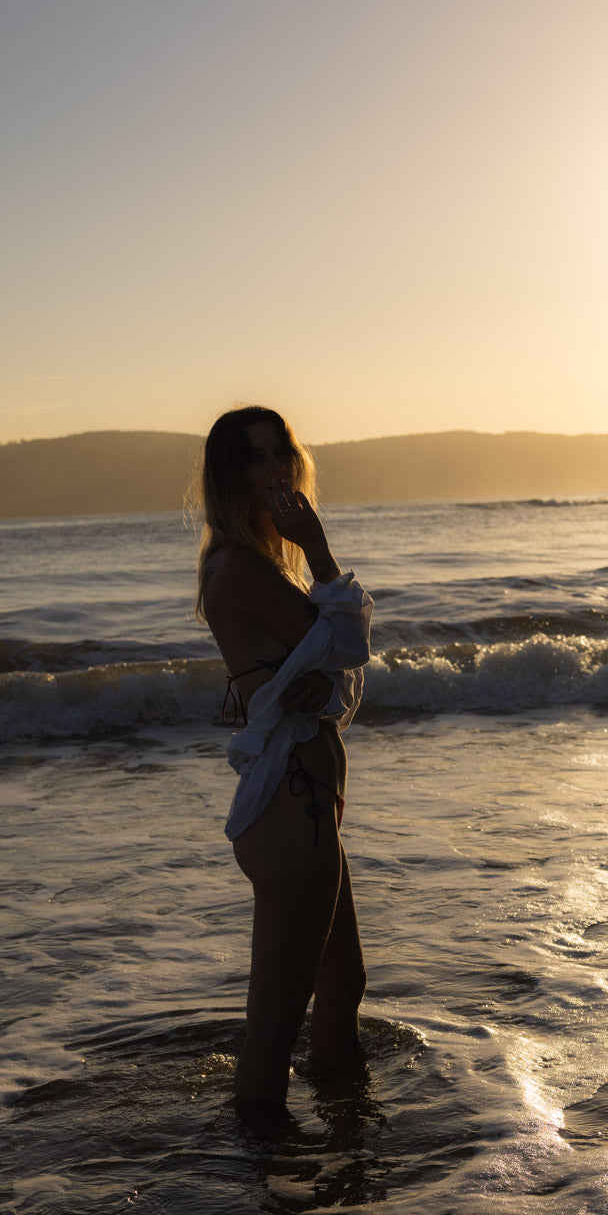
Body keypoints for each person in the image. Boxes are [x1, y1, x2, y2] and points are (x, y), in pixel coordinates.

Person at [195, 406, 373, 1104]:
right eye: (255, 459)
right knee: (273, 1029)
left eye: (282, 455)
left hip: (309, 807)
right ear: (229, 478)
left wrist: (324, 681)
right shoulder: (240, 567)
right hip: (290, 812)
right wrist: (320, 551)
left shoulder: (263, 565)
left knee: (344, 984)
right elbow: (349, 643)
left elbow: (336, 670)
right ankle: (261, 1153)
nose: (275, 470)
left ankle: (346, 1129)